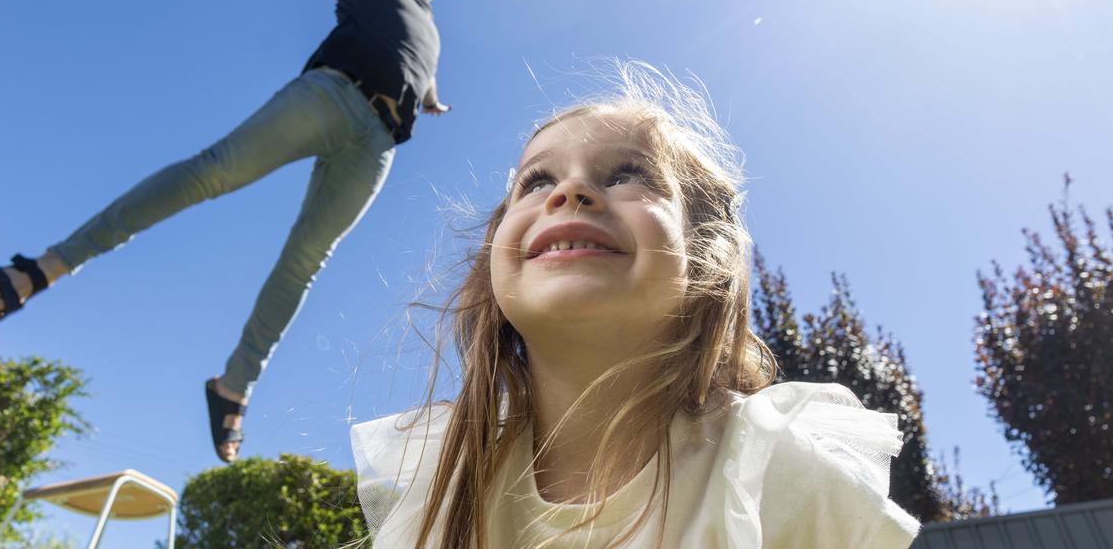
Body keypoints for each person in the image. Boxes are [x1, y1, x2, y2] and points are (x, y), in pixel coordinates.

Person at [0, 0, 458, 463]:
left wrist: (429, 97)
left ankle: (233, 387)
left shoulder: (432, 34)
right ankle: (45, 267)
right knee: (213, 172)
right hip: (330, 97)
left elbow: (422, 71)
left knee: (306, 262)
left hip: (377, 144)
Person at [350, 66, 921, 548]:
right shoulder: (440, 490)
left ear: (706, 259)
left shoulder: (775, 472)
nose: (568, 193)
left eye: (628, 175)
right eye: (535, 181)